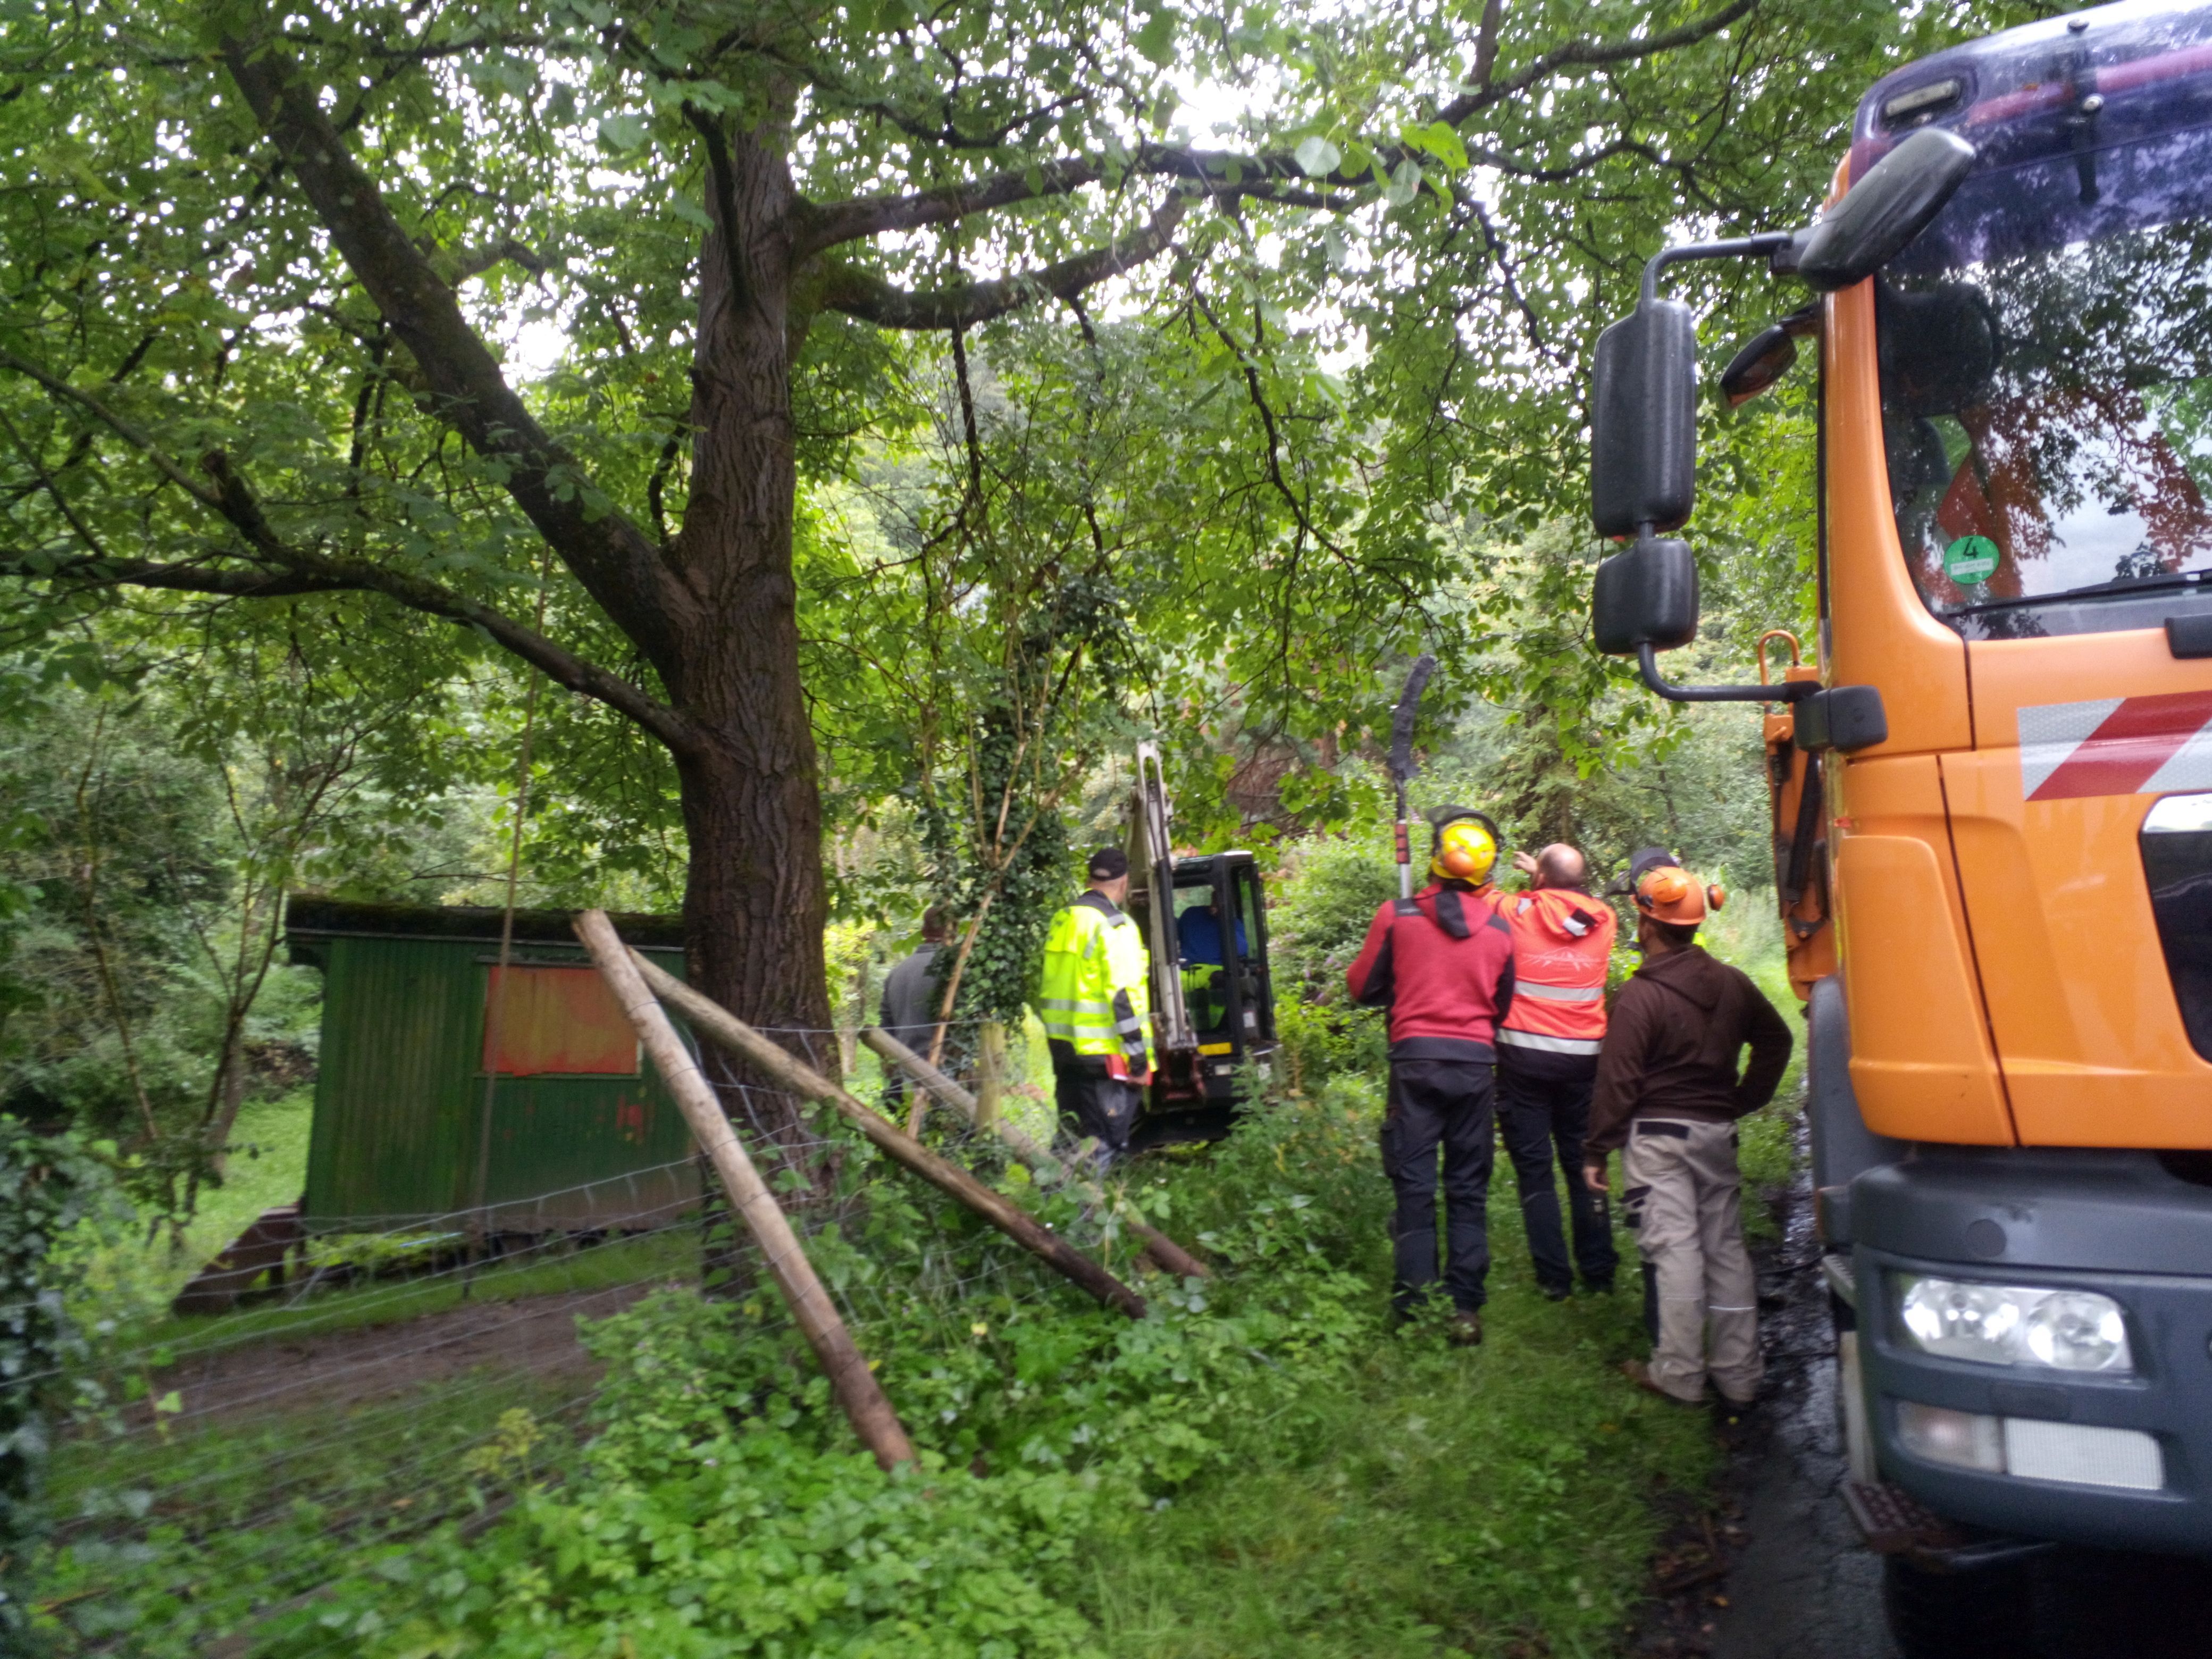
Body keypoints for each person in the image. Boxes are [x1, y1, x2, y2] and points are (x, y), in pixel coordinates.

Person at [1582, 856, 1792, 1407]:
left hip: (1657, 1142)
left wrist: (1596, 1148)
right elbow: (1776, 1043)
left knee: (1673, 1252)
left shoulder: (1638, 996)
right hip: (1714, 1134)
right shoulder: (1733, 985)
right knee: (1724, 1251)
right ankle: (1738, 1375)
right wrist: (1741, 1100)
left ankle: (1676, 1374)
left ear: (1647, 924)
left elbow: (1618, 1080)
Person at [1345, 808, 1516, 1344]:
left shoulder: (1395, 917)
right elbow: (1502, 1006)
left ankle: (1415, 1307)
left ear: (1436, 861)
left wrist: (1405, 987)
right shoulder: (1498, 931)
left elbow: (1360, 987)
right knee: (1467, 1186)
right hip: (1473, 1066)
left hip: (1413, 1061)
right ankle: (1464, 1308)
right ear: (1485, 872)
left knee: (1414, 1187)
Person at [1495, 843, 1621, 1300]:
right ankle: (1600, 1271)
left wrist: (1535, 882)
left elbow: (1480, 893)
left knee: (1535, 1171)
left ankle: (1554, 1280)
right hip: (1582, 1061)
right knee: (1582, 1163)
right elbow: (1567, 913)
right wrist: (1544, 877)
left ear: (1541, 880)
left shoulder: (1514, 910)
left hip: (1522, 1060)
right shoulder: (1605, 919)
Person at [1036, 847, 1154, 1166]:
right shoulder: (1116, 926)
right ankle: (1084, 1214)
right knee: (1102, 1145)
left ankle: (1050, 1209)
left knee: (1070, 1140)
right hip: (1105, 1058)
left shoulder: (1063, 919)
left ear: (1089, 879)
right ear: (1124, 882)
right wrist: (1139, 1062)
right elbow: (1123, 998)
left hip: (1064, 1051)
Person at [877, 907, 950, 1107]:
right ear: (954, 932)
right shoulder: (956, 974)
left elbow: (886, 1029)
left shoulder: (897, 974)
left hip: (904, 1078)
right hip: (946, 1080)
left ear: (924, 933)